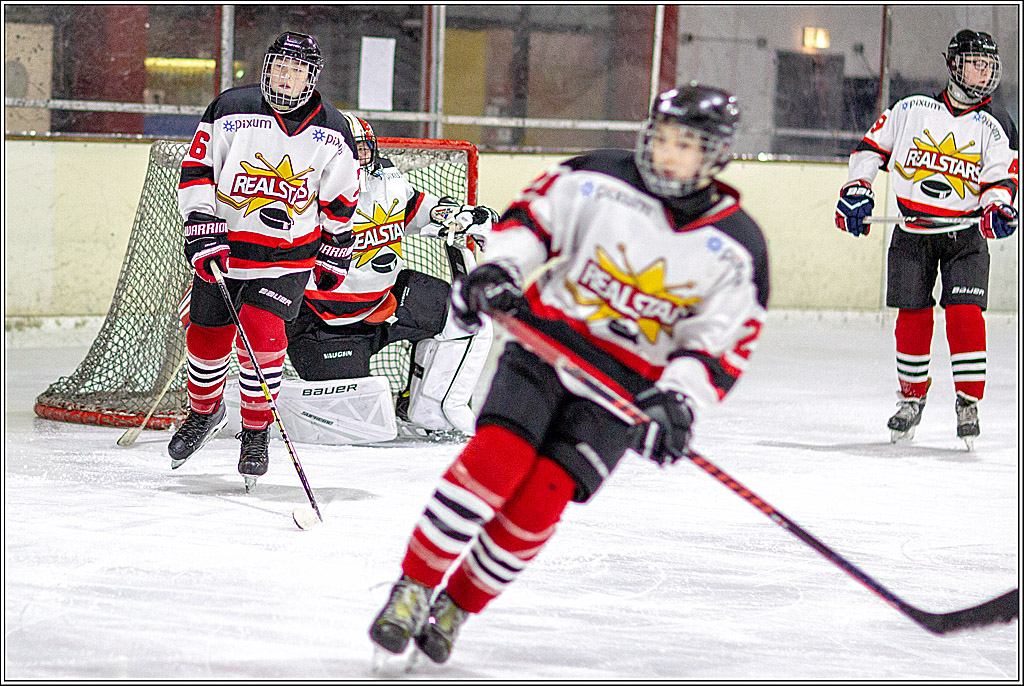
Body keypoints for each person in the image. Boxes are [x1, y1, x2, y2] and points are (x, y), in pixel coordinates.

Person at [367, 84, 770, 665]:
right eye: (662, 138)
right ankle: (412, 588)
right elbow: (530, 223)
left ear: (716, 155)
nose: (668, 154)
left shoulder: (737, 246)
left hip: (621, 390)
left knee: (540, 501)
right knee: (494, 463)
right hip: (545, 348)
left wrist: (678, 403)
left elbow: (718, 345)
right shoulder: (598, 176)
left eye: (687, 144)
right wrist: (500, 269)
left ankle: (457, 605)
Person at [168, 31, 361, 490]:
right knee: (206, 338)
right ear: (267, 67)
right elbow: (198, 171)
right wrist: (201, 223)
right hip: (227, 252)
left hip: (287, 259)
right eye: (280, 67)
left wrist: (336, 246)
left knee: (262, 337)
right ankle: (205, 413)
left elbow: (342, 197)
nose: (286, 77)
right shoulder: (230, 109)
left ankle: (256, 431)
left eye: (297, 71)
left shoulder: (332, 130)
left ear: (310, 78)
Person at [835, 29, 1018, 449]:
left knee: (965, 313)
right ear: (954, 65)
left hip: (965, 237)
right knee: (912, 316)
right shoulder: (911, 108)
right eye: (975, 63)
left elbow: (1002, 175)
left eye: (989, 65)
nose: (984, 72)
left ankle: (968, 402)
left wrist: (997, 206)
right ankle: (911, 400)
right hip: (912, 233)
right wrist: (857, 189)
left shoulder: (998, 123)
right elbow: (870, 150)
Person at [284, 114, 499, 437]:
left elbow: (422, 208)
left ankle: (431, 410)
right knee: (353, 427)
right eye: (341, 150)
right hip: (322, 323)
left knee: (469, 317)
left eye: (360, 150)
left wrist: (463, 216)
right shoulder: (299, 195)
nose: (353, 159)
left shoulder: (388, 181)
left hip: (386, 300)